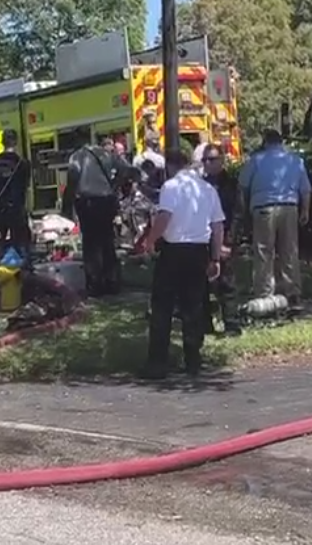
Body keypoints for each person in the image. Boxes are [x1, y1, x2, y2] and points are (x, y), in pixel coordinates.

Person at [134, 148, 225, 380]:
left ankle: (157, 362)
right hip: (198, 251)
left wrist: (150, 241)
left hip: (173, 252)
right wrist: (215, 258)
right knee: (193, 306)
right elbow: (217, 226)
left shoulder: (171, 187)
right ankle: (193, 360)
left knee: (162, 306)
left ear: (171, 166)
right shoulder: (207, 190)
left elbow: (164, 217)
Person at [238, 128, 311, 314]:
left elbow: (242, 187)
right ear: (281, 142)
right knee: (289, 251)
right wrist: (305, 211)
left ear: (265, 141)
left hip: (264, 208)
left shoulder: (256, 160)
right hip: (289, 207)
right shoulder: (295, 160)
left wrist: (244, 211)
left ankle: (264, 295)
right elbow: (306, 190)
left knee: (264, 252)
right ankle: (293, 294)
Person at [63, 134, 135, 295]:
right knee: (107, 241)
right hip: (106, 200)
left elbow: (72, 180)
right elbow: (126, 169)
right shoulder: (105, 153)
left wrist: (67, 206)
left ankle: (95, 284)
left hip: (88, 203)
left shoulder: (77, 156)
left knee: (91, 244)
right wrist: (114, 185)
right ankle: (112, 282)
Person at [198, 143, 242, 335]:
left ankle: (231, 324)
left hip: (224, 238)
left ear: (221, 160)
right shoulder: (200, 185)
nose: (207, 163)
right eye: (205, 160)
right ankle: (204, 324)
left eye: (212, 159)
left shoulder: (230, 184)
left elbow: (238, 214)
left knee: (226, 283)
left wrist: (228, 242)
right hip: (203, 240)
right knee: (202, 284)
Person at [0, 129, 32, 259]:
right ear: (16, 142)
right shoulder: (23, 163)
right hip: (16, 208)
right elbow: (25, 186)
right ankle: (21, 271)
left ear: (2, 142)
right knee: (21, 244)